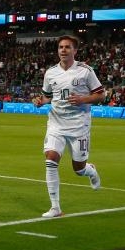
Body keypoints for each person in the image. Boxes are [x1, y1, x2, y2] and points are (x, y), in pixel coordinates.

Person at [32, 35, 104, 218]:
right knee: (50, 160)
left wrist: (83, 99)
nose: (63, 50)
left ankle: (90, 170)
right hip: (56, 122)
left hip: (79, 124)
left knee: (78, 169)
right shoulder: (50, 73)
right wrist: (41, 101)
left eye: (67, 47)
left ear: (75, 51)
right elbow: (48, 96)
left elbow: (101, 95)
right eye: (60, 47)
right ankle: (55, 208)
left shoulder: (85, 71)